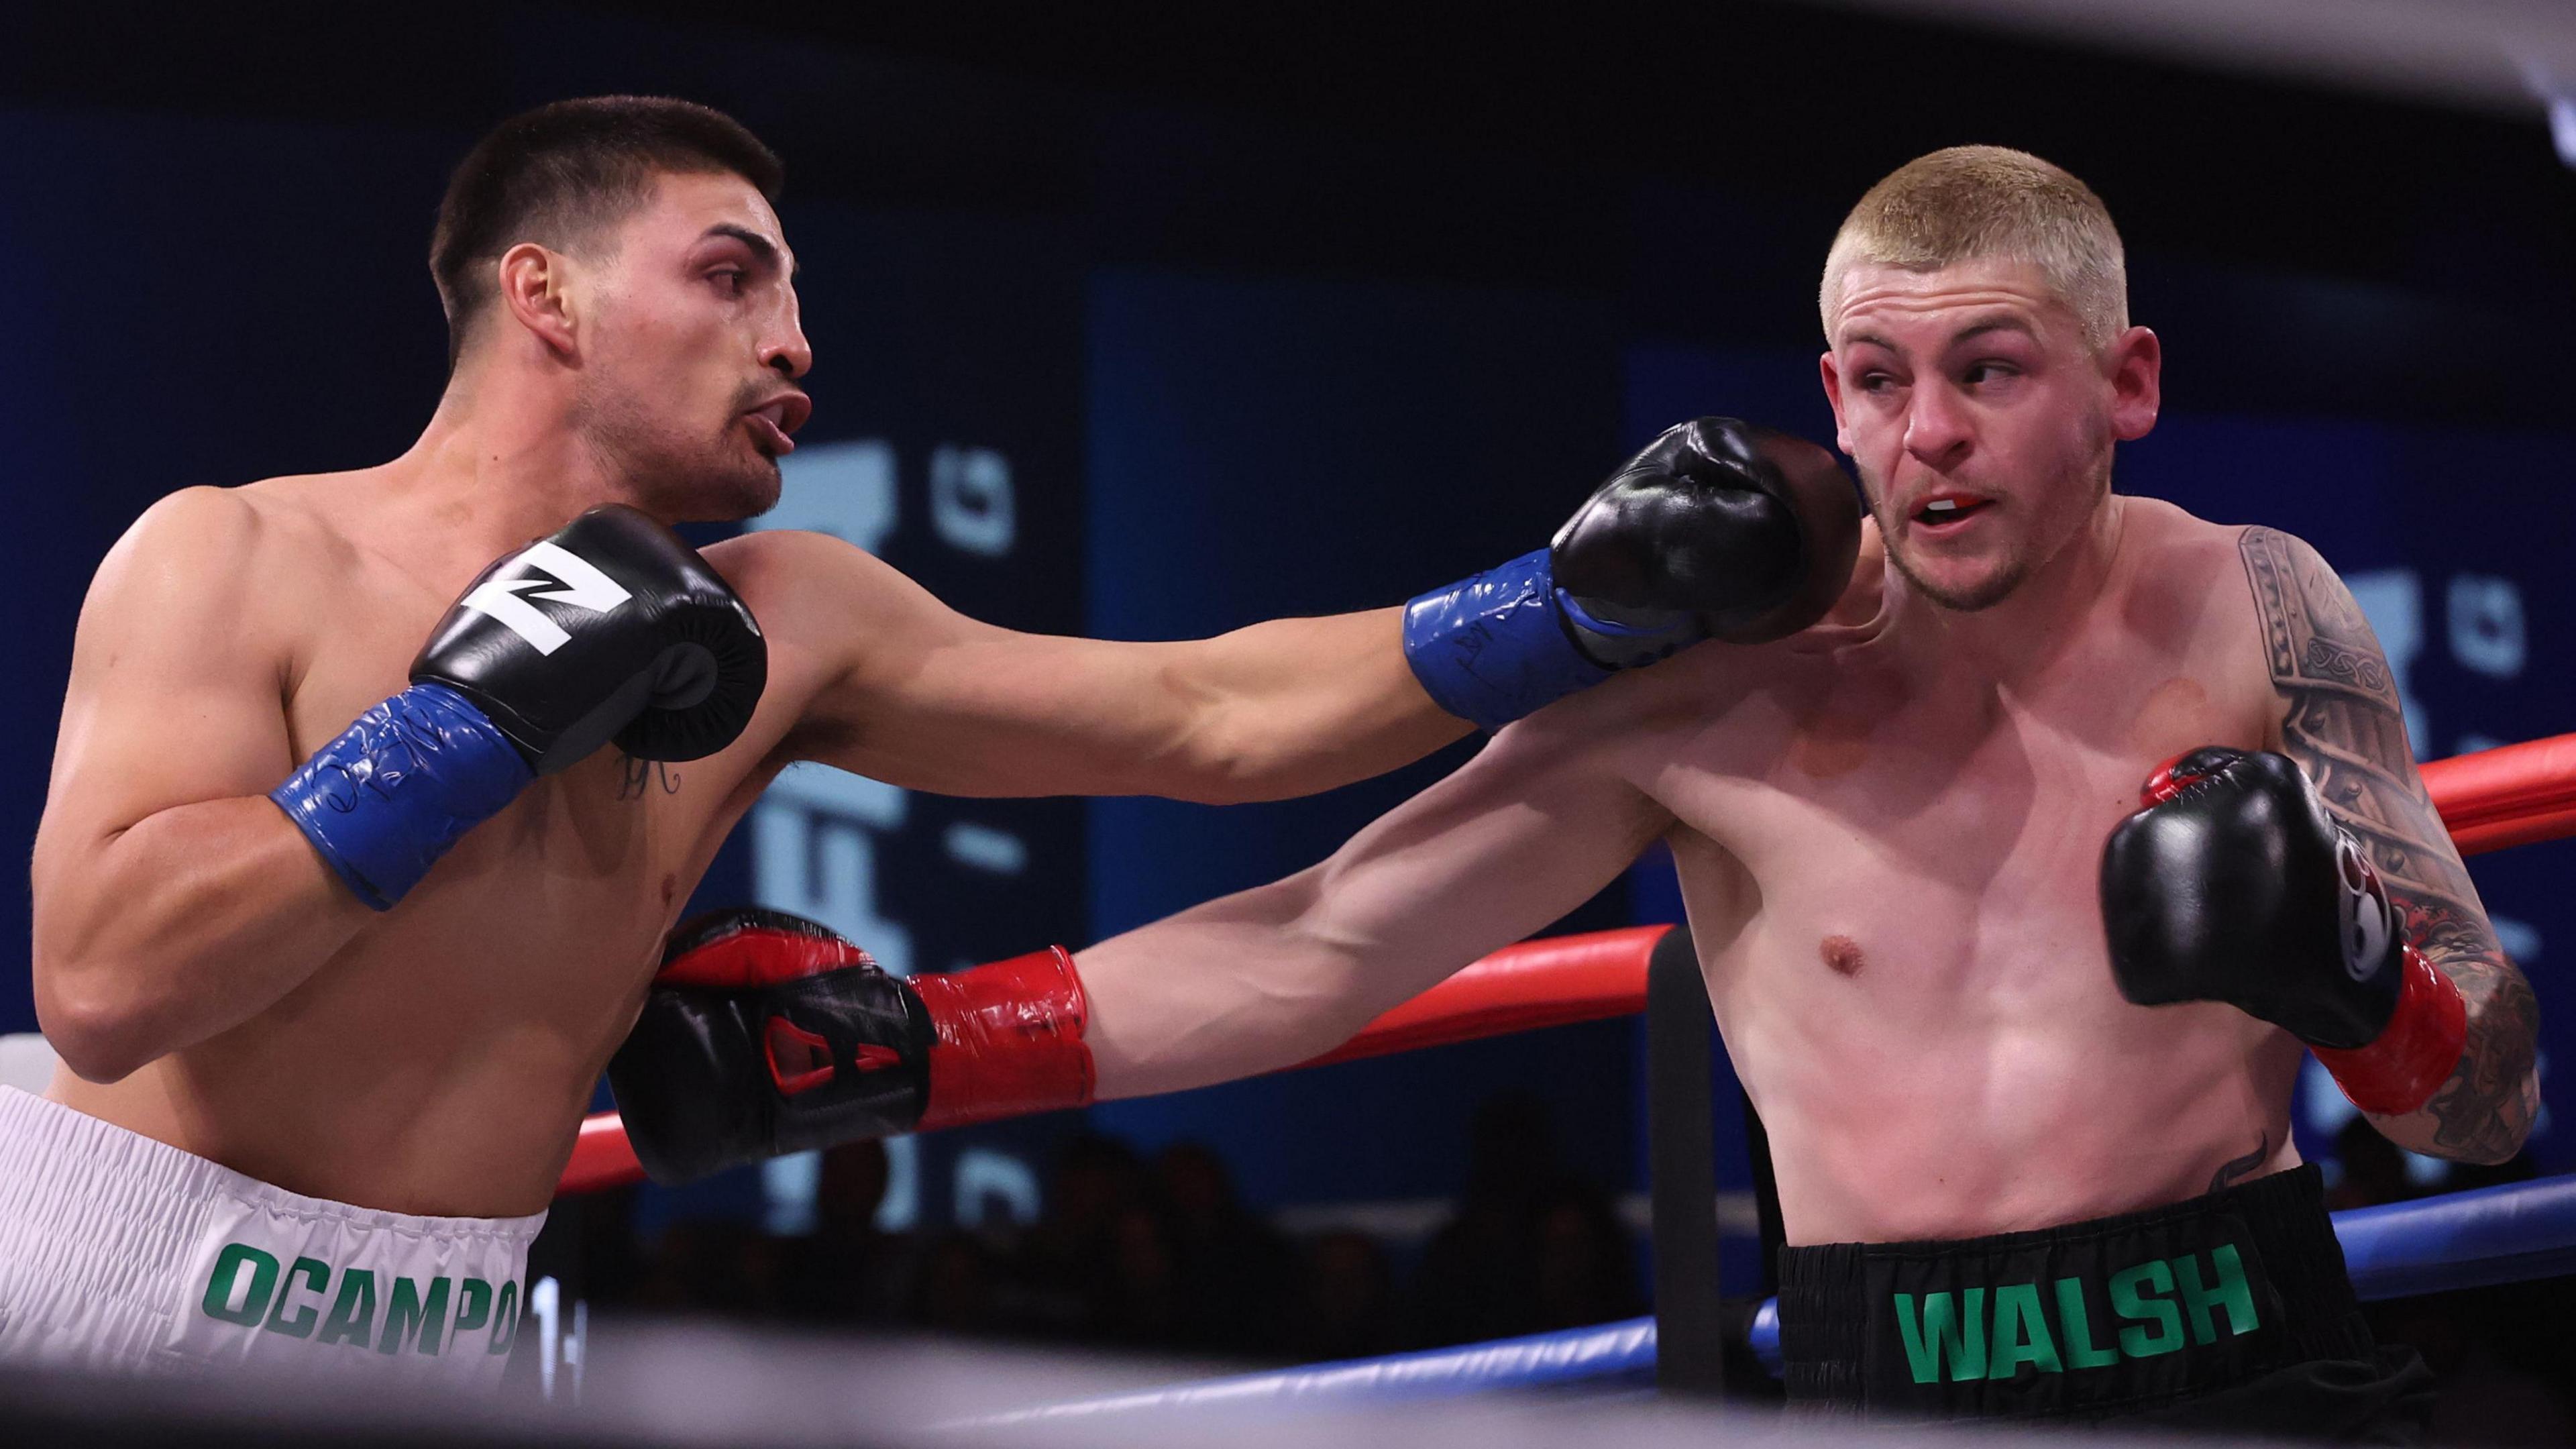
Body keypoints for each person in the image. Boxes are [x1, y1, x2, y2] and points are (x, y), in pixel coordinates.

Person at [678, 148, 2537, 1436]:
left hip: (2255, 1358)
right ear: (1828, 392)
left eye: (1991, 370)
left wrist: (2361, 979)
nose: (1928, 435)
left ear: (2126, 383)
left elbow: (2492, 1106)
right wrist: (913, 1049)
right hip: (1892, 1388)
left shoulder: (2257, 608)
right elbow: (1328, 942)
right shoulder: (1716, 678)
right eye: (1879, 379)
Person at [6, 95, 1856, 1385]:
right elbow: (100, 983)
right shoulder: (238, 554)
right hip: (129, 1297)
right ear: (544, 295)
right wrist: (464, 723)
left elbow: (1211, 715)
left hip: (464, 1327)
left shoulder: (787, 618)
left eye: (797, 293)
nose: (795, 340)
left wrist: (1565, 606)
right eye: (732, 277)